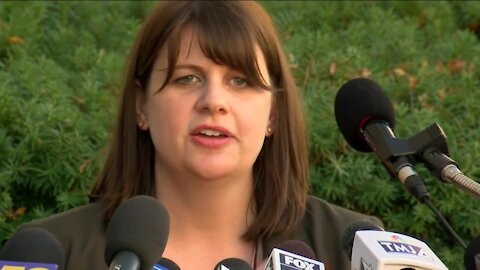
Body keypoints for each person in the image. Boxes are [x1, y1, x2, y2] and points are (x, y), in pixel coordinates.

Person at [18, 2, 381, 269]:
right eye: (187, 78)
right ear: (141, 105)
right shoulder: (53, 252)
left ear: (273, 112)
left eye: (240, 81)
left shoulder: (349, 247)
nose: (214, 102)